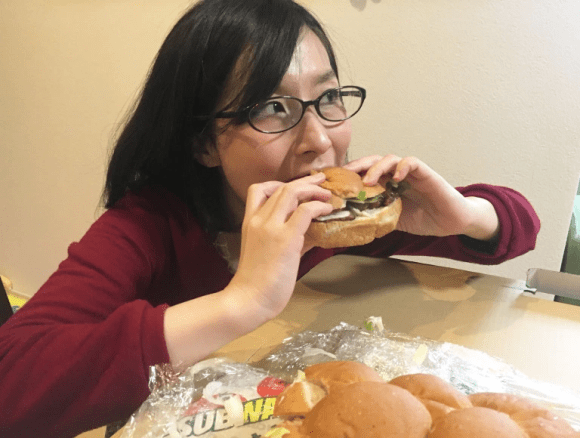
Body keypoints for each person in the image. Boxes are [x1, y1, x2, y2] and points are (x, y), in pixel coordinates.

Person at [0, 0, 540, 437]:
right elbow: (11, 384)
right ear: (203, 143)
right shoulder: (148, 226)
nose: (320, 140)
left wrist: (464, 215)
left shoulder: (334, 219)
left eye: (328, 97)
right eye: (271, 108)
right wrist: (241, 302)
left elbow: (520, 225)